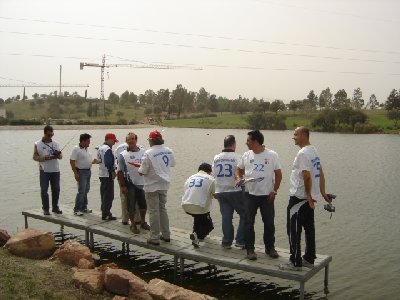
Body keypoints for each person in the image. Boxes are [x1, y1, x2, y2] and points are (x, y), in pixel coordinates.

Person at [279, 127, 332, 271]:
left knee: (293, 230)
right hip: (310, 198)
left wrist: (308, 197)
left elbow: (307, 176)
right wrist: (322, 192)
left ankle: (295, 262)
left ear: (303, 135)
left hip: (299, 198)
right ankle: (309, 258)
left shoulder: (302, 153)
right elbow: (320, 172)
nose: (293, 137)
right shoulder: (313, 150)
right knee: (309, 228)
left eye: (295, 134)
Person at [236, 130, 282, 260]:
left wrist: (274, 191)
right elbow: (238, 169)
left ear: (256, 141)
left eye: (248, 140)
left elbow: (278, 174)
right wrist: (238, 178)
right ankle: (250, 250)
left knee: (269, 223)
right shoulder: (246, 155)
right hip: (250, 195)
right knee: (248, 223)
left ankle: (270, 248)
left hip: (267, 196)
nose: (246, 143)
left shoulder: (272, 155)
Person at [138, 130, 176, 246]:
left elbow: (142, 171)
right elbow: (172, 164)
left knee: (154, 211)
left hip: (151, 186)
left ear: (151, 141)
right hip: (164, 184)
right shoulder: (169, 151)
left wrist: (139, 169)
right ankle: (166, 235)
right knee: (162, 209)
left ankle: (154, 237)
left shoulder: (148, 153)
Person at [213, 135, 245, 249]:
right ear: (234, 144)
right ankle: (240, 241)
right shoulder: (238, 157)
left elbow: (214, 174)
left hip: (220, 191)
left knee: (226, 217)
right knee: (244, 214)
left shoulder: (216, 157)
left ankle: (226, 242)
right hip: (234, 190)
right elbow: (241, 173)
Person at [117, 132, 150, 234]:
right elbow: (119, 171)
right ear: (126, 141)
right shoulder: (123, 155)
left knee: (143, 204)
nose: (131, 141)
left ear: (136, 140)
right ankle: (133, 224)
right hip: (129, 183)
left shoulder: (144, 152)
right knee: (130, 205)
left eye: (133, 139)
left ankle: (143, 222)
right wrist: (122, 186)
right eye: (129, 139)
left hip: (143, 183)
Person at [182, 163, 215, 248]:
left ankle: (195, 238)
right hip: (200, 207)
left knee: (198, 219)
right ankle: (197, 236)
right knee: (209, 226)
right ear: (209, 171)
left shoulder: (190, 177)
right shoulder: (210, 179)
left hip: (186, 205)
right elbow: (215, 195)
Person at [33, 125, 63, 215]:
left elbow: (61, 157)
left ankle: (55, 207)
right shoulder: (37, 144)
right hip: (44, 171)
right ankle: (46, 208)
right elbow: (35, 157)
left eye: (52, 135)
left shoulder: (56, 143)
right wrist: (45, 158)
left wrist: (57, 155)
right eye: (49, 135)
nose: (50, 137)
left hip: (55, 170)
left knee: (56, 189)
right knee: (44, 190)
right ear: (45, 133)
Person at [70, 133, 95, 216]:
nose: (89, 143)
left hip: (88, 171)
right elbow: (72, 161)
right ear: (83, 141)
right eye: (88, 141)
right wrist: (75, 173)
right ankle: (76, 209)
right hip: (81, 172)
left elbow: (85, 159)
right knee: (81, 190)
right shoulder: (76, 149)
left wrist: (93, 162)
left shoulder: (86, 149)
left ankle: (84, 207)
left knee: (86, 190)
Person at [98, 133, 118, 220]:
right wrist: (113, 172)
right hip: (107, 174)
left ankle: (104, 211)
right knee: (109, 195)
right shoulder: (107, 149)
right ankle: (106, 213)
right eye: (113, 140)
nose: (114, 142)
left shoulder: (100, 148)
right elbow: (108, 162)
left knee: (104, 194)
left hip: (101, 173)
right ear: (109, 139)